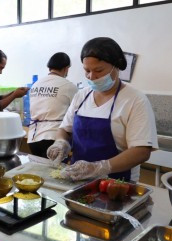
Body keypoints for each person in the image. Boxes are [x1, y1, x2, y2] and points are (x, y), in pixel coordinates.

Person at [47, 37, 158, 182]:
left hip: (116, 184)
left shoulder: (135, 100)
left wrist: (99, 168)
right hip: (76, 179)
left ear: (116, 67)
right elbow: (65, 130)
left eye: (98, 70)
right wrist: (61, 142)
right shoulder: (81, 96)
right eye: (87, 70)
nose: (92, 77)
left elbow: (141, 151)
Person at [27, 52, 78, 158]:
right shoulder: (68, 86)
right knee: (54, 173)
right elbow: (77, 112)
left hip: (33, 138)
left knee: (40, 171)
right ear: (66, 68)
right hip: (54, 138)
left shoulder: (36, 84)